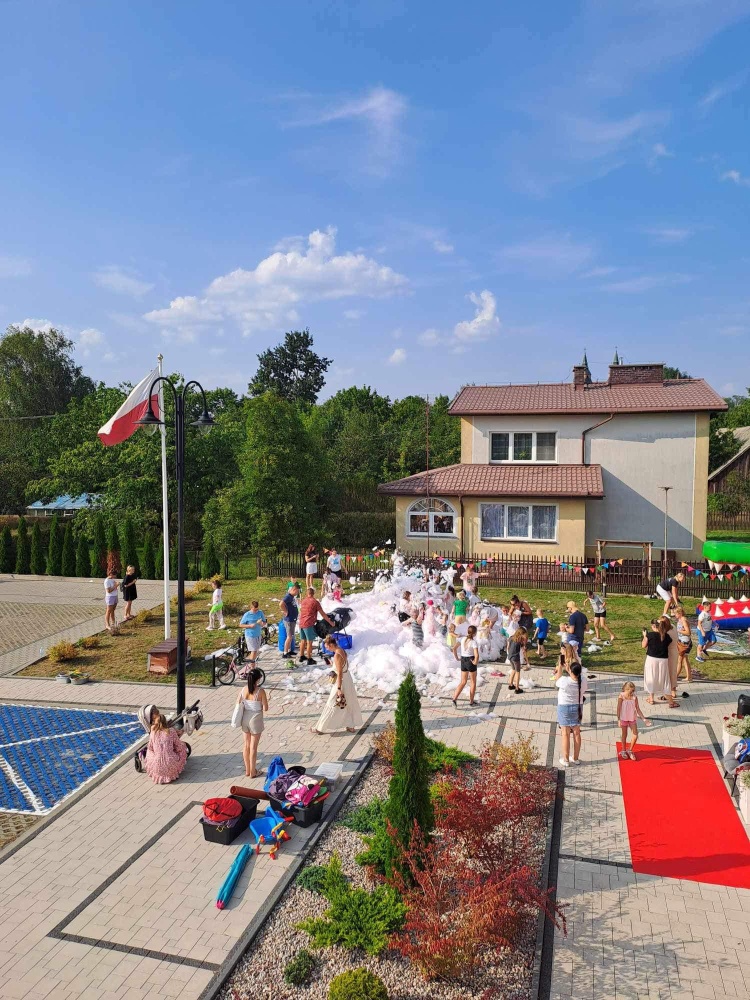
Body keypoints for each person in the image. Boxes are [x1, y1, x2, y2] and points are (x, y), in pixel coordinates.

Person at [311, 635, 362, 734]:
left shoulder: (337, 655)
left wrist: (339, 688)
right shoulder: (341, 650)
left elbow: (340, 673)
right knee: (349, 702)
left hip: (341, 681)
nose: (327, 649)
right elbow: (342, 666)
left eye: (327, 647)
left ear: (331, 645)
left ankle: (320, 728)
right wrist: (331, 664)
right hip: (348, 679)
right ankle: (351, 726)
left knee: (331, 703)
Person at [555, 647, 588, 767]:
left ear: (571, 671)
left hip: (564, 707)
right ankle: (576, 758)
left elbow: (557, 680)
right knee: (577, 733)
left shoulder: (565, 681)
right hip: (578, 707)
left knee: (565, 734)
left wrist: (560, 667)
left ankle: (566, 760)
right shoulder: (583, 680)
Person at [235, 668, 268, 778]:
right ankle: (253, 772)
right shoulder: (260, 691)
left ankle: (247, 770)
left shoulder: (244, 689)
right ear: (257, 679)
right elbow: (265, 708)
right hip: (256, 720)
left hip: (245, 718)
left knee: (246, 745)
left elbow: (238, 703)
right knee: (253, 747)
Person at [144, 710, 188, 784]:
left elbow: (150, 747)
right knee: (182, 746)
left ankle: (158, 775)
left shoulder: (153, 732)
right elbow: (178, 746)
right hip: (170, 763)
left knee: (149, 751)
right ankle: (172, 773)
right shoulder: (171, 731)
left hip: (157, 765)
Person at [642, 618, 675, 707]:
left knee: (651, 677)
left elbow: (643, 645)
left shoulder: (650, 635)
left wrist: (644, 636)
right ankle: (671, 702)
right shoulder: (666, 636)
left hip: (651, 659)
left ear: (653, 626)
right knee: (665, 680)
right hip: (663, 660)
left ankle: (651, 698)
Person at [298, 587, 333, 665]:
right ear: (313, 593)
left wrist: (314, 619)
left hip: (301, 623)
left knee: (303, 641)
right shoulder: (315, 602)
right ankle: (309, 659)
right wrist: (330, 622)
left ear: (307, 593)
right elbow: (323, 614)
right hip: (308, 624)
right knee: (309, 642)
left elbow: (306, 612)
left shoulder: (303, 601)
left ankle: (301, 656)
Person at [616, 681, 651, 760]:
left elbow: (638, 709)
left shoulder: (634, 697)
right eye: (631, 690)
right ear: (626, 689)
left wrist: (644, 719)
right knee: (624, 735)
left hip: (632, 718)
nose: (633, 692)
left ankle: (630, 750)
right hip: (623, 718)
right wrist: (618, 719)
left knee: (635, 735)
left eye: (633, 690)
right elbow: (618, 708)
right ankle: (623, 750)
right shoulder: (621, 696)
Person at [452, 624, 480, 707]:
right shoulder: (473, 642)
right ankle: (471, 702)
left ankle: (454, 699)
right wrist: (475, 662)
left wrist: (457, 658)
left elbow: (454, 648)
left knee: (463, 682)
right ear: (474, 633)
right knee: (473, 682)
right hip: (470, 660)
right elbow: (476, 655)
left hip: (463, 660)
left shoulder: (462, 639)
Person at [240, 600, 267, 667]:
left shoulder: (260, 612)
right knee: (253, 651)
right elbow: (241, 625)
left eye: (257, 609)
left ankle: (250, 664)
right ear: (251, 607)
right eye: (254, 610)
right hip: (250, 635)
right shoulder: (247, 615)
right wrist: (249, 626)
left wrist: (262, 623)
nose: (256, 611)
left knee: (255, 651)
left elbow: (264, 622)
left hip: (258, 634)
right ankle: (252, 668)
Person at [674, 605, 693, 683]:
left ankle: (674, 677)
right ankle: (689, 677)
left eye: (676, 613)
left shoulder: (683, 620)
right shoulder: (680, 619)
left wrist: (678, 631)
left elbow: (688, 632)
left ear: (680, 613)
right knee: (685, 660)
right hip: (682, 641)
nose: (674, 615)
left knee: (680, 660)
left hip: (685, 643)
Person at [507, 626, 527, 694]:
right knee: (518, 672)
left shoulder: (511, 637)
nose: (524, 636)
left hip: (510, 656)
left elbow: (508, 647)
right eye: (524, 634)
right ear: (521, 634)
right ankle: (517, 688)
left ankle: (510, 685)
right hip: (516, 658)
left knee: (513, 670)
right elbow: (523, 650)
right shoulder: (519, 641)